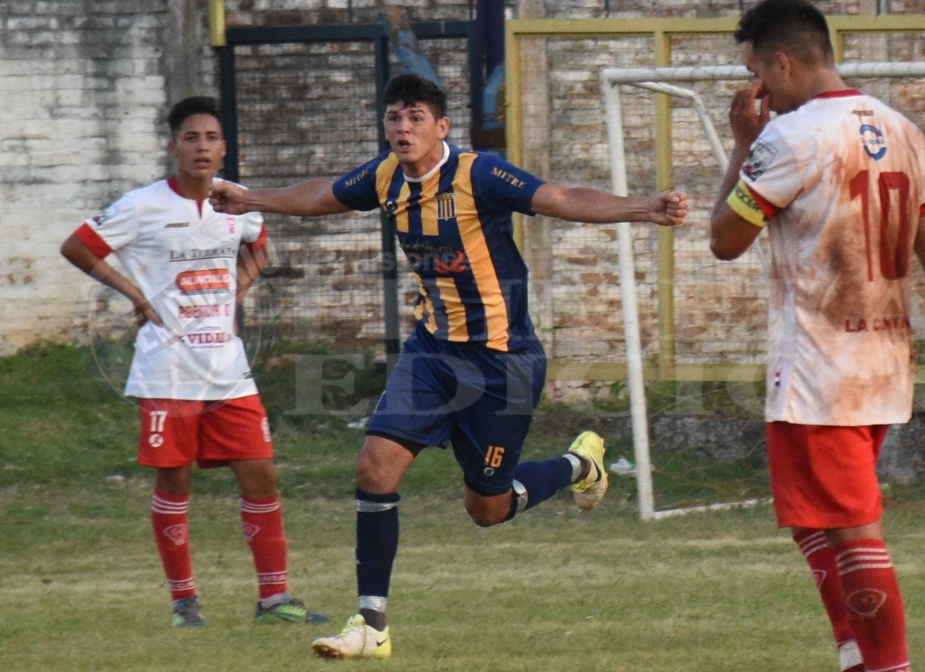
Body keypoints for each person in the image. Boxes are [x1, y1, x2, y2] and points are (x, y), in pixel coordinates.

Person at [209, 73, 688, 659]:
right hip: (433, 353)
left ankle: (577, 465)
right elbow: (324, 195)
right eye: (394, 117)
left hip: (503, 363)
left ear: (441, 127)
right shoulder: (386, 176)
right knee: (374, 468)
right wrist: (251, 198)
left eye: (415, 118)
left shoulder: (478, 174)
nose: (402, 127)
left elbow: (559, 199)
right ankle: (372, 625)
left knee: (487, 508)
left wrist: (645, 208)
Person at [709, 2, 925, 671]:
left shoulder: (788, 138)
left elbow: (724, 238)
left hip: (819, 370)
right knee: (814, 520)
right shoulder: (906, 132)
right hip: (883, 364)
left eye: (755, 72)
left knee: (854, 533)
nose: (756, 89)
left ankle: (888, 666)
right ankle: (858, 658)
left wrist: (743, 144)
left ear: (781, 63)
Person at [60, 96, 329, 629]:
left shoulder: (236, 201)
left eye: (210, 138)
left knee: (261, 475)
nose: (201, 147)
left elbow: (259, 243)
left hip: (228, 372)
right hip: (167, 372)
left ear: (223, 147)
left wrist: (235, 296)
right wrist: (135, 295)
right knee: (176, 482)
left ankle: (274, 599)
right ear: (173, 147)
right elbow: (77, 246)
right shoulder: (142, 205)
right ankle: (184, 604)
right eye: (191, 138)